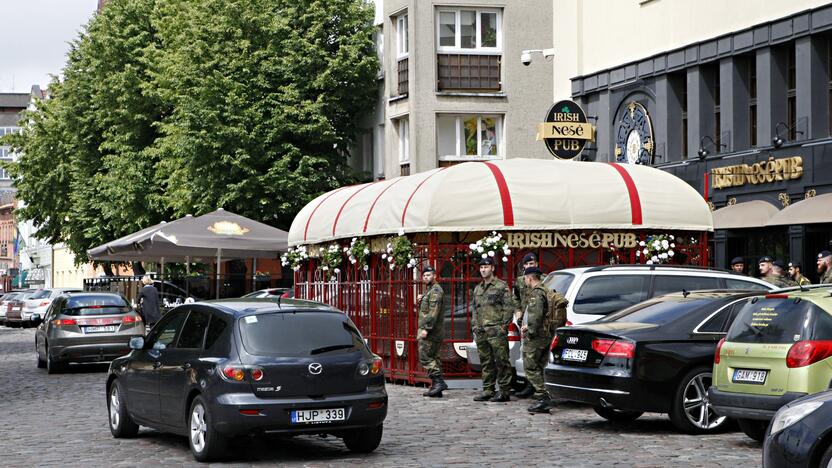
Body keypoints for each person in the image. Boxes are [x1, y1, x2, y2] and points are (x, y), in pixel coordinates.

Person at [471, 257, 515, 403]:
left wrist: (503, 326)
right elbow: (474, 309)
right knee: (486, 362)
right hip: (482, 331)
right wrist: (475, 326)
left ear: (493, 268)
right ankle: (488, 389)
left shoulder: (501, 286)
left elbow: (509, 307)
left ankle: (504, 391)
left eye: (486, 267)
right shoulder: (478, 288)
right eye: (481, 267)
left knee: (502, 361)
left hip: (496, 331)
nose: (483, 270)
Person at [520, 266, 554, 414]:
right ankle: (543, 396)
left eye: (525, 278)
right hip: (546, 335)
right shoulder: (546, 290)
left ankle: (543, 397)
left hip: (536, 337)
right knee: (540, 367)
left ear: (530, 278)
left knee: (530, 366)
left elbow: (536, 316)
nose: (525, 281)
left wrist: (528, 329)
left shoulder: (536, 294)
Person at [513, 252, 545, 399]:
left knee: (534, 357)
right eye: (526, 264)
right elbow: (516, 297)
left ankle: (540, 390)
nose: (529, 266)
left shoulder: (543, 279)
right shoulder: (520, 281)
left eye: (531, 264)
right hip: (525, 320)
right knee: (526, 355)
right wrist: (518, 312)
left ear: (536, 264)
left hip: (537, 321)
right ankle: (530, 385)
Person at [417, 266, 446, 398]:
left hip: (431, 331)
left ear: (434, 276)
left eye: (428, 275)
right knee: (434, 358)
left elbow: (433, 313)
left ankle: (439, 382)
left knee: (425, 356)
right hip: (433, 331)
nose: (426, 277)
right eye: (424, 276)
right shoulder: (429, 290)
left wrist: (426, 329)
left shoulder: (435, 290)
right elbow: (426, 309)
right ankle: (436, 387)